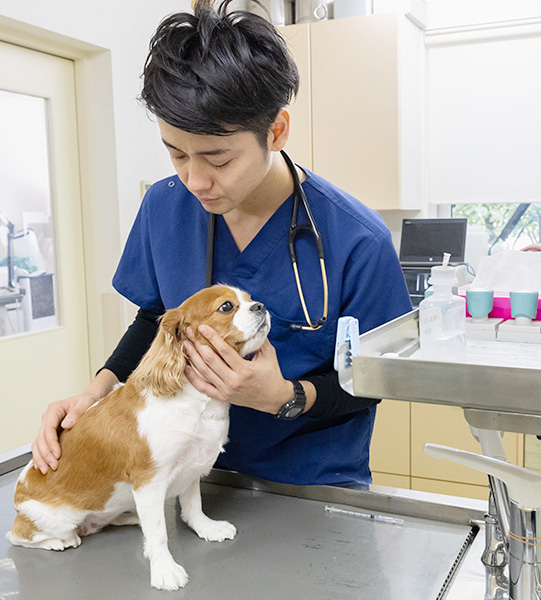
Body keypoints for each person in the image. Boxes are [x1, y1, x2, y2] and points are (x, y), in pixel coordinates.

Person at [31, 0, 412, 487]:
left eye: (217, 158)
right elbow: (157, 319)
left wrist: (283, 396)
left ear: (275, 131)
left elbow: (372, 385)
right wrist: (96, 392)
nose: (195, 179)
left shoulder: (357, 239)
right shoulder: (164, 209)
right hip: (188, 475)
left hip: (312, 489)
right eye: (176, 154)